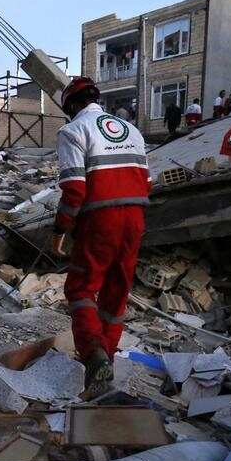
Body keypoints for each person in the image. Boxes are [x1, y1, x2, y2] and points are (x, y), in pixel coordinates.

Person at [50, 77, 151, 397]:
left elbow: (75, 188)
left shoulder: (73, 131)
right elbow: (145, 180)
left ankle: (93, 354)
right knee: (116, 291)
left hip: (101, 218)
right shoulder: (131, 130)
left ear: (71, 107)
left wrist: (60, 228)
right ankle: (106, 357)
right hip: (135, 217)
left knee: (80, 288)